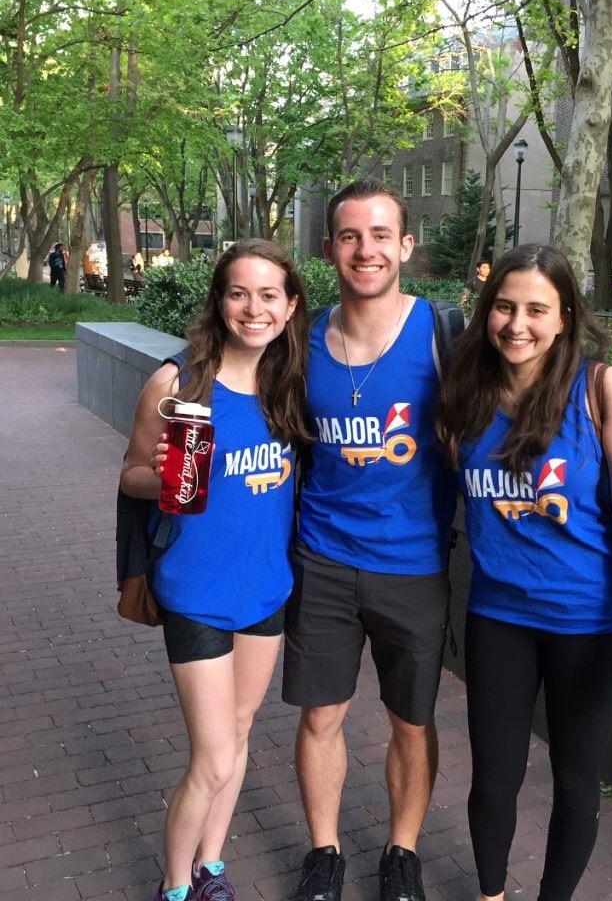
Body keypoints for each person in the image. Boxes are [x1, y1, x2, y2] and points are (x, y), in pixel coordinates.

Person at [437, 243, 612, 901]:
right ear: (487, 310)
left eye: (537, 309)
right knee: (493, 779)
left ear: (565, 315)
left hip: (589, 626)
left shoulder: (600, 391)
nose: (518, 324)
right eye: (505, 307)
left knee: (575, 780)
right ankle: (490, 895)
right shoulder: (466, 393)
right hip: (498, 618)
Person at [284, 179, 458, 901]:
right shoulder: (299, 341)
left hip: (413, 565)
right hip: (321, 557)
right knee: (321, 715)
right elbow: (226, 371)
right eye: (351, 236)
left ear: (405, 246)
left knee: (410, 721)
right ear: (329, 249)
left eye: (381, 234)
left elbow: (525, 395)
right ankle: (324, 853)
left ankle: (402, 853)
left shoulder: (444, 335)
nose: (366, 249)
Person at [121, 239, 310, 901]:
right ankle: (174, 888)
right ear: (219, 302)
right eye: (238, 292)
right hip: (195, 592)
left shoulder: (291, 387)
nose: (252, 308)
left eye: (267, 295)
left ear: (289, 307)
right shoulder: (178, 384)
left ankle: (210, 869)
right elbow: (131, 475)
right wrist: (170, 477)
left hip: (266, 589)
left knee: (239, 731)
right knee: (215, 755)